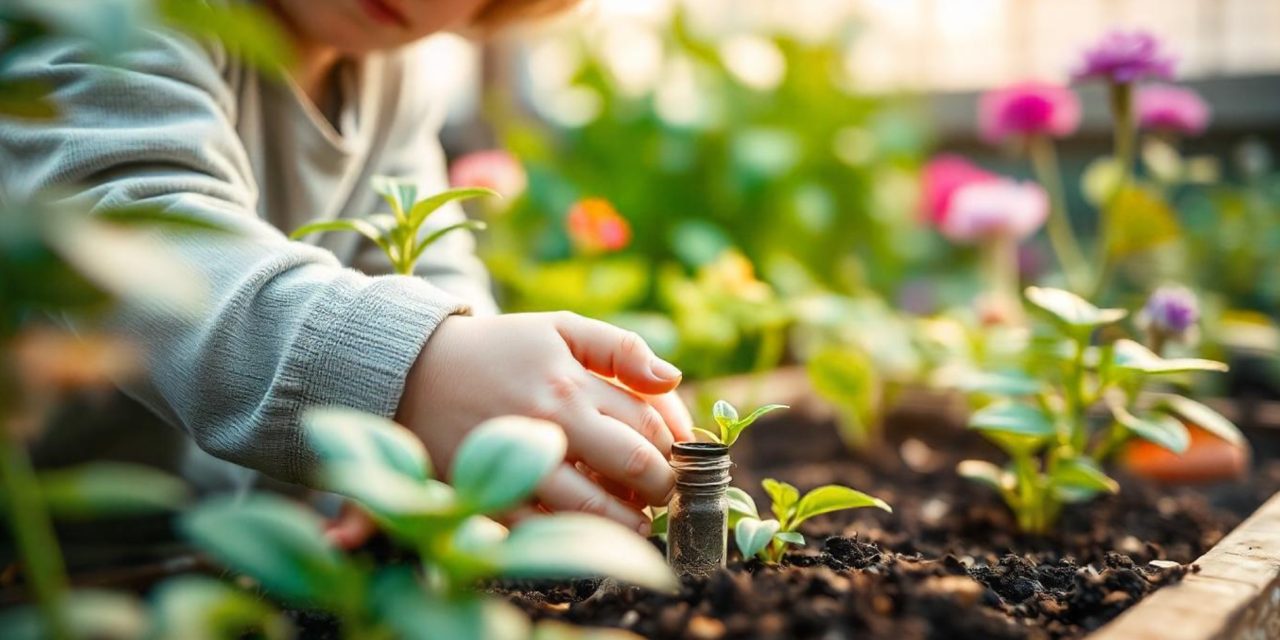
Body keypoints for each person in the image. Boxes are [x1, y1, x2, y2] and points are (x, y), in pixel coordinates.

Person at [0, 0, 692, 548]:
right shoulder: (106, 18)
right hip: (48, 556)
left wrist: (419, 465)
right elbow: (134, 232)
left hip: (218, 548)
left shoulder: (391, 77)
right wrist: (419, 374)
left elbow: (431, 266)